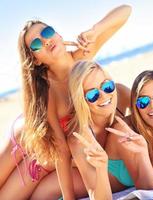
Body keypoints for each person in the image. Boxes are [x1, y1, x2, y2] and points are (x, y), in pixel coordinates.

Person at [0, 5, 132, 200]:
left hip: (47, 156)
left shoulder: (84, 56)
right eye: (36, 44)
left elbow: (126, 11)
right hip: (27, 138)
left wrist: (95, 31)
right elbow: (60, 148)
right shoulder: (47, 89)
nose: (45, 40)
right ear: (35, 60)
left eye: (47, 32)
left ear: (58, 34)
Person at [67, 61, 153, 197]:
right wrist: (101, 169)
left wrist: (142, 152)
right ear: (81, 100)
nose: (104, 96)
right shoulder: (80, 139)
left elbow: (149, 188)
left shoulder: (121, 94)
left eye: (107, 86)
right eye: (93, 95)